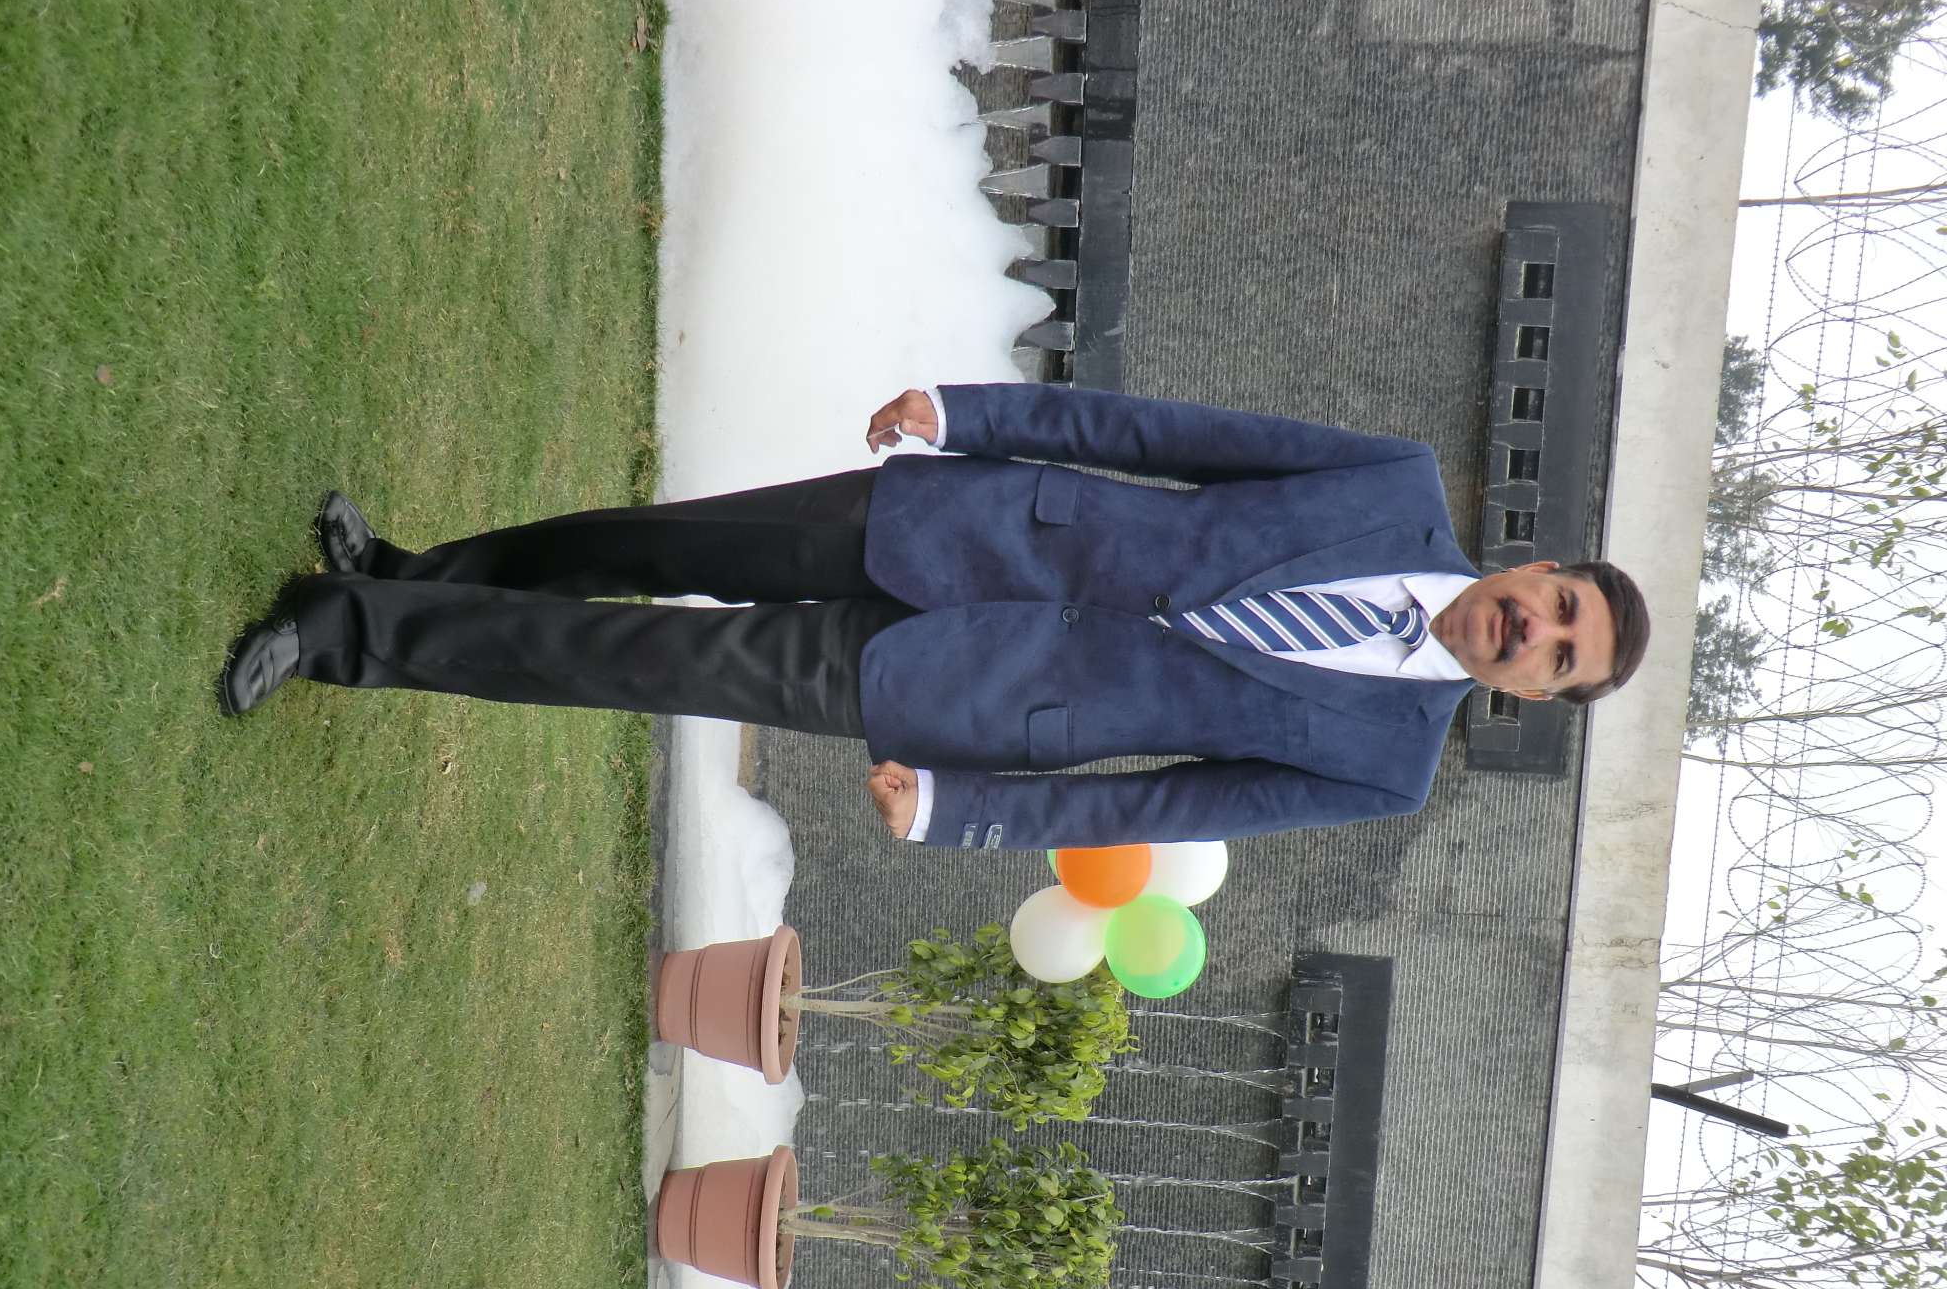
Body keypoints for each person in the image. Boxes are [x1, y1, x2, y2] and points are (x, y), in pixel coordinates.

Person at [221, 383, 1650, 849]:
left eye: (1561, 658)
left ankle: (344, 631)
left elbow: (1161, 807)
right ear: (1537, 567)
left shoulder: (1386, 771)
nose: (1537, 631)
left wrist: (964, 813)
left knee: (636, 657)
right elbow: (1162, 435)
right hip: (963, 520)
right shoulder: (1391, 483)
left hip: (962, 695)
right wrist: (971, 414)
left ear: (1532, 697)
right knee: (650, 545)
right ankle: (414, 571)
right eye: (1560, 605)